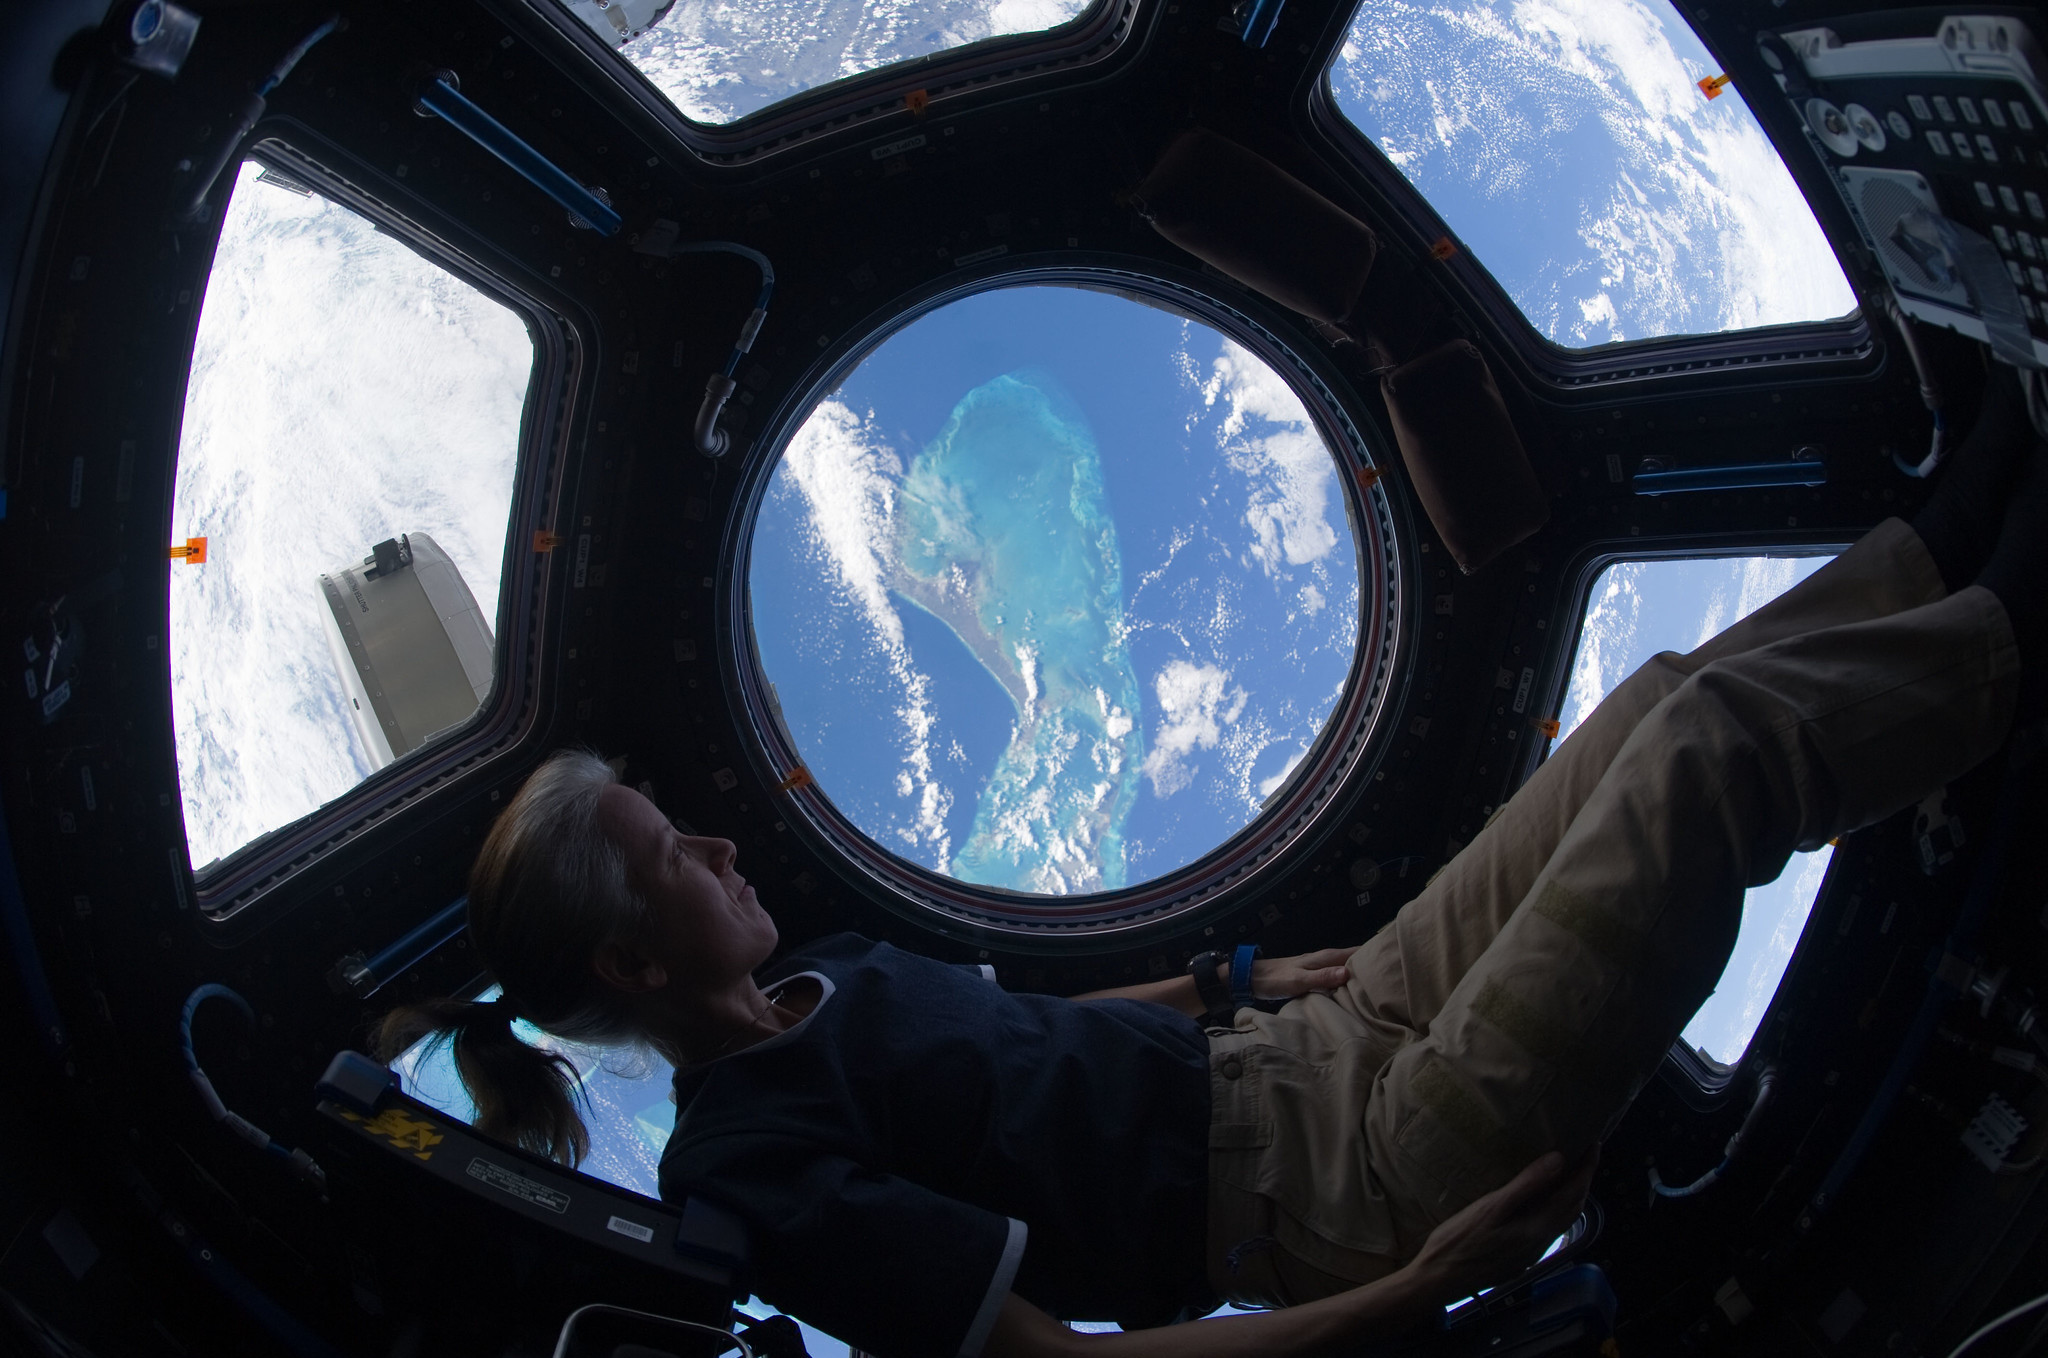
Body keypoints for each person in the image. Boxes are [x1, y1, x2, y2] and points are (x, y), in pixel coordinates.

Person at [381, 374, 2044, 1358]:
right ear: (629, 963)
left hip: (1327, 1026)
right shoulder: (743, 1176)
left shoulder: (825, 982)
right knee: (1709, 767)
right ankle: (2014, 635)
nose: (725, 840)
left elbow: (1028, 1050)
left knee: (1652, 708)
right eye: (673, 851)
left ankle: (1945, 544)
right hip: (1354, 1184)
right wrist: (1419, 1288)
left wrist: (1219, 977)